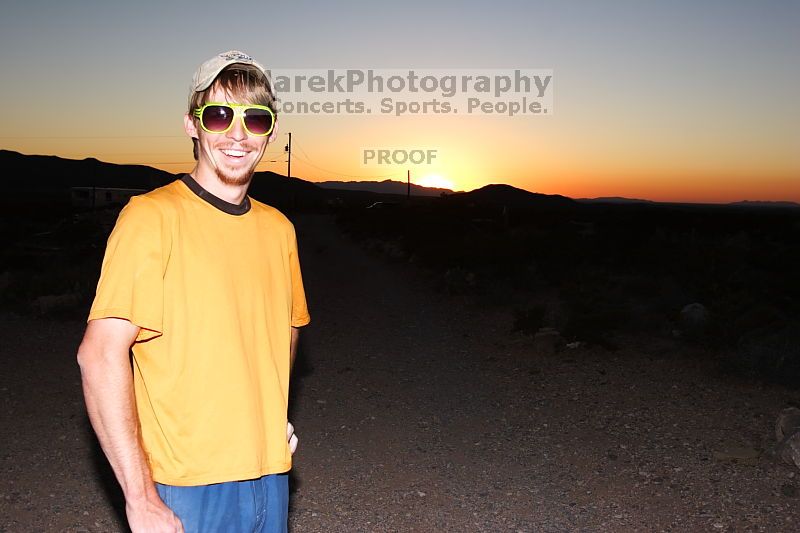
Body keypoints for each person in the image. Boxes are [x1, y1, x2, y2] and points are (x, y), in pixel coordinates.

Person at [77, 50, 310, 533]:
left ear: (270, 130)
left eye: (256, 118)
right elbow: (99, 356)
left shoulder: (279, 229)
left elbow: (286, 332)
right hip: (186, 485)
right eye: (220, 114)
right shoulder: (151, 218)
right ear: (192, 124)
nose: (237, 134)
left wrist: (270, 413)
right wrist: (140, 498)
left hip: (270, 476)